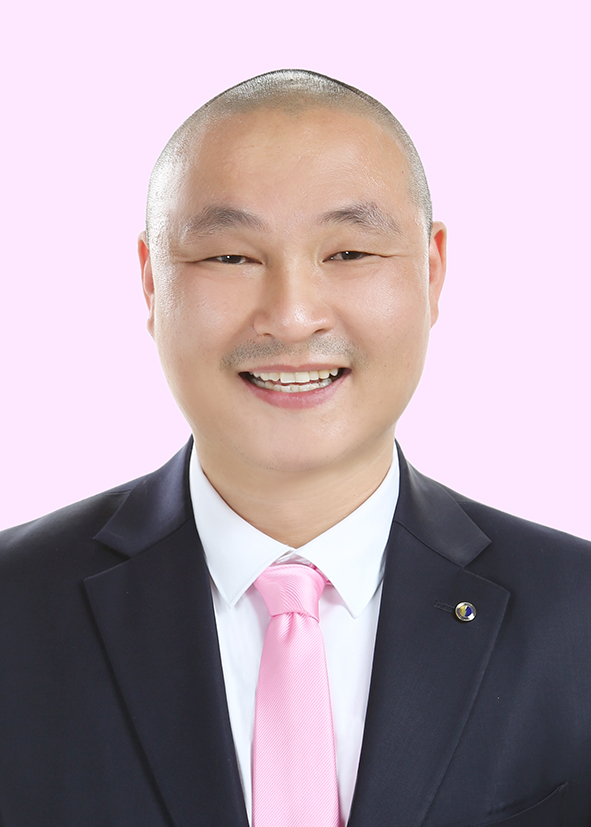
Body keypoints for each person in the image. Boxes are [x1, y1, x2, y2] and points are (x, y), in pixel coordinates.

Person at [1, 69, 590, 827]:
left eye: (348, 253)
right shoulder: (15, 608)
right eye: (230, 258)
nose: (291, 315)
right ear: (151, 283)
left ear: (432, 269)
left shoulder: (576, 614)